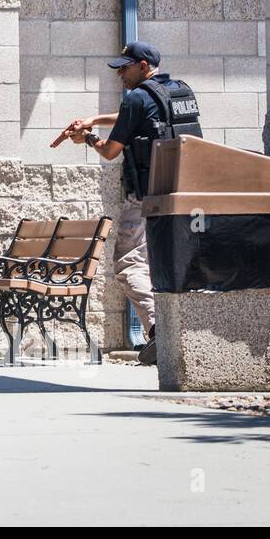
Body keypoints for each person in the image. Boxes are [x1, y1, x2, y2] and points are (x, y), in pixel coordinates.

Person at [51, 41, 202, 365]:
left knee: (128, 264)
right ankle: (183, 329)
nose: (120, 73)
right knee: (165, 264)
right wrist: (94, 118)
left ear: (144, 66)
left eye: (125, 67)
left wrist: (87, 137)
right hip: (180, 195)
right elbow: (132, 117)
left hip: (144, 198)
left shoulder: (136, 98)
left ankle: (159, 329)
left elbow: (110, 151)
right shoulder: (178, 93)